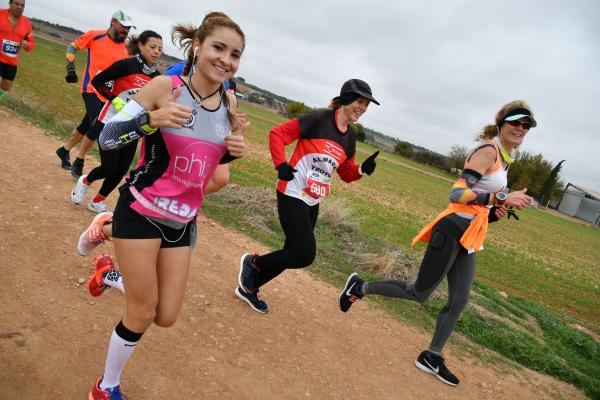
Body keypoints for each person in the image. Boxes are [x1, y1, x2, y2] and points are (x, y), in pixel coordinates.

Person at [75, 13, 248, 399]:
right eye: (219, 48)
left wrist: (234, 151)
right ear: (198, 46)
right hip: (141, 209)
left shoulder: (229, 103)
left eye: (235, 54)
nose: (226, 60)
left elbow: (205, 165)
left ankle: (106, 259)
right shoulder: (164, 86)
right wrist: (149, 120)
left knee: (165, 316)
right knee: (141, 313)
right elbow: (108, 136)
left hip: (183, 221)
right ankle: (105, 387)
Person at [339, 100, 536, 386]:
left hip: (469, 235)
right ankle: (360, 287)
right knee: (419, 293)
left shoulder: (505, 158)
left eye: (526, 125)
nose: (520, 128)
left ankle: (432, 355)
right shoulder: (487, 151)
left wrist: (495, 212)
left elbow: (479, 202)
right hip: (451, 229)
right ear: (501, 123)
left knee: (459, 299)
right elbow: (457, 195)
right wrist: (501, 198)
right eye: (515, 122)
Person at [236, 79, 381, 313]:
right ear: (345, 99)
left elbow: (345, 173)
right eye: (359, 101)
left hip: (313, 200)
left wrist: (362, 170)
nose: (363, 108)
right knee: (304, 255)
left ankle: (249, 287)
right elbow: (278, 134)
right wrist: (280, 164)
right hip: (292, 192)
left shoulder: (349, 138)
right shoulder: (319, 119)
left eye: (366, 105)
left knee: (290, 252)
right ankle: (253, 263)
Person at [70, 30, 163, 213]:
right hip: (110, 121)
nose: (156, 52)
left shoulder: (157, 78)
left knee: (121, 169)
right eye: (152, 47)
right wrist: (114, 99)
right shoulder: (125, 65)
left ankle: (97, 201)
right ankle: (86, 181)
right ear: (141, 46)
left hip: (133, 126)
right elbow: (97, 82)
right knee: (109, 166)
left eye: (160, 49)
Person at [55, 10, 132, 176]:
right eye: (123, 26)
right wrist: (70, 67)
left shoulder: (127, 49)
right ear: (113, 22)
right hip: (90, 88)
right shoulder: (95, 35)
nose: (126, 31)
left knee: (86, 125)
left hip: (109, 95)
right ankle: (80, 160)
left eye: (128, 28)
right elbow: (72, 47)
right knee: (98, 124)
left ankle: (64, 150)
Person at [0, 0, 34, 101]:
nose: (20, 7)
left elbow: (31, 42)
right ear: (10, 4)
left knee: (6, 85)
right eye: (17, 4)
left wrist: (27, 45)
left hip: (12, 61)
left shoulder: (27, 23)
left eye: (22, 5)